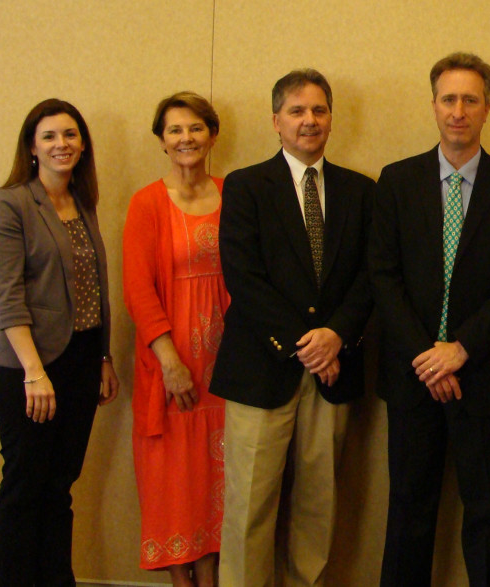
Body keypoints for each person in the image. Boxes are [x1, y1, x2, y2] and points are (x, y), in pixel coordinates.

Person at [368, 51, 490, 586]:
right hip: (411, 375)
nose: (458, 110)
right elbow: (382, 277)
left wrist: (459, 350)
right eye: (449, 99)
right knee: (408, 512)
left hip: (483, 376)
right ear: (434, 105)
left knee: (489, 515)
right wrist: (428, 357)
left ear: (488, 107)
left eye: (470, 99)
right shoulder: (396, 181)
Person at [211, 69, 375, 586]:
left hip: (333, 374)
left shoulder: (360, 191)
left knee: (317, 510)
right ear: (276, 120)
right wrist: (305, 345)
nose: (310, 121)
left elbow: (372, 276)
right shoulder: (245, 186)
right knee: (249, 511)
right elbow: (243, 275)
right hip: (262, 370)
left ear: (331, 119)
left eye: (320, 110)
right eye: (298, 111)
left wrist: (336, 336)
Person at [0, 98, 120, 585]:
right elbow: (9, 297)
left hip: (82, 361)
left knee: (60, 487)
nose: (61, 144)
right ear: (32, 147)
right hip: (27, 368)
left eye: (69, 135)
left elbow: (92, 290)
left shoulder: (81, 202)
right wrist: (34, 372)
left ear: (82, 145)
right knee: (24, 488)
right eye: (49, 136)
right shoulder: (11, 202)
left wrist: (104, 356)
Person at [123, 91, 227, 586]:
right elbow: (138, 292)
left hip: (226, 367)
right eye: (175, 130)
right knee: (173, 480)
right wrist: (170, 361)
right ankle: (181, 581)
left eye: (195, 128)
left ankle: (209, 575)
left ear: (212, 135)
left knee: (216, 478)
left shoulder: (234, 193)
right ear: (162, 141)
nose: (186, 138)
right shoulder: (147, 203)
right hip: (172, 363)